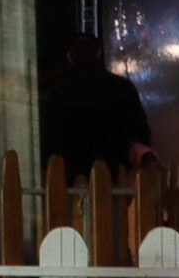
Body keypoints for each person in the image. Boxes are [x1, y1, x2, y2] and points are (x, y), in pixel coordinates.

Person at [45, 33, 154, 181]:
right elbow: (141, 131)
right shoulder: (123, 88)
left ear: (70, 57)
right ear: (99, 53)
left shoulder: (58, 93)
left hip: (71, 176)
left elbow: (50, 138)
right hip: (115, 173)